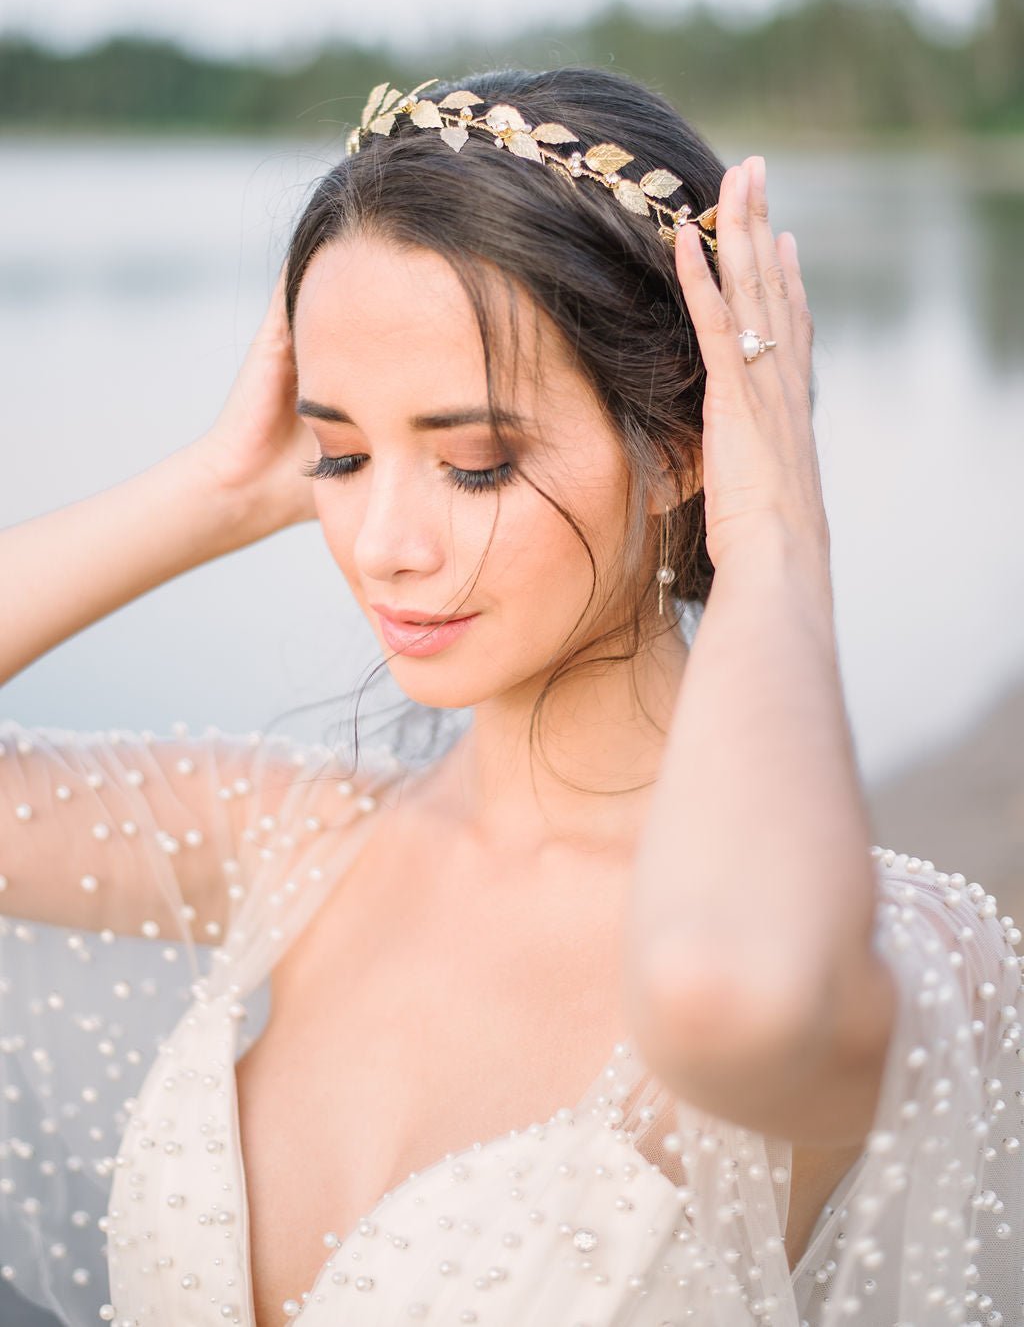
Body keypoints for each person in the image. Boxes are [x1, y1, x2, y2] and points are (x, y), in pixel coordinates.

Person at [0, 65, 1020, 1327]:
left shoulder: (900, 951)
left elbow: (733, 993)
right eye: (342, 454)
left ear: (681, 450)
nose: (381, 543)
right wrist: (211, 489)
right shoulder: (296, 843)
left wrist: (775, 546)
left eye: (474, 463)